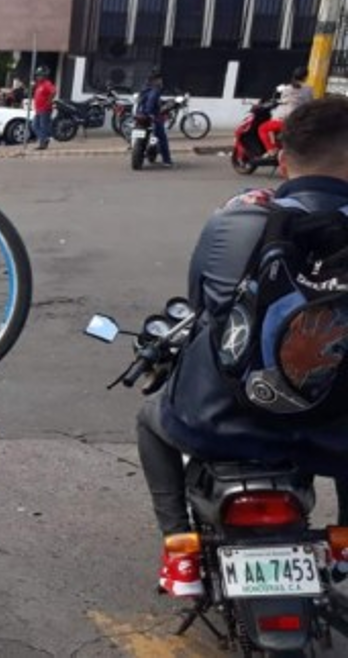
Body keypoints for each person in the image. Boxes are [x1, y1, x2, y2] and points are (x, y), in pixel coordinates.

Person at [135, 96, 348, 597]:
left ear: (283, 160)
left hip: (221, 421)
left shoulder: (231, 221)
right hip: (335, 431)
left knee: (149, 420)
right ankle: (342, 547)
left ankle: (180, 552)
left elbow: (200, 306)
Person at [259, 66, 315, 157]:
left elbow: (280, 99)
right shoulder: (309, 89)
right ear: (305, 77)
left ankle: (272, 151)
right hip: (298, 120)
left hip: (284, 120)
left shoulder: (286, 88)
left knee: (262, 128)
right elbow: (310, 103)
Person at [137, 71, 173, 167]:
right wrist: (150, 113)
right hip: (152, 117)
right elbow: (151, 101)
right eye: (160, 80)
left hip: (141, 116)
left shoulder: (144, 89)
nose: (161, 82)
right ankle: (167, 160)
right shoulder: (155, 90)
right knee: (162, 137)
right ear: (155, 80)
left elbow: (140, 102)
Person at [31, 66, 56, 150]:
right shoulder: (39, 85)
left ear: (44, 76)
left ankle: (43, 144)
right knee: (34, 125)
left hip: (45, 109)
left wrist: (48, 101)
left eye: (40, 75)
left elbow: (53, 91)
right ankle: (45, 139)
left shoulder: (47, 83)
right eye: (37, 75)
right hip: (38, 110)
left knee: (43, 126)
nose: (38, 77)